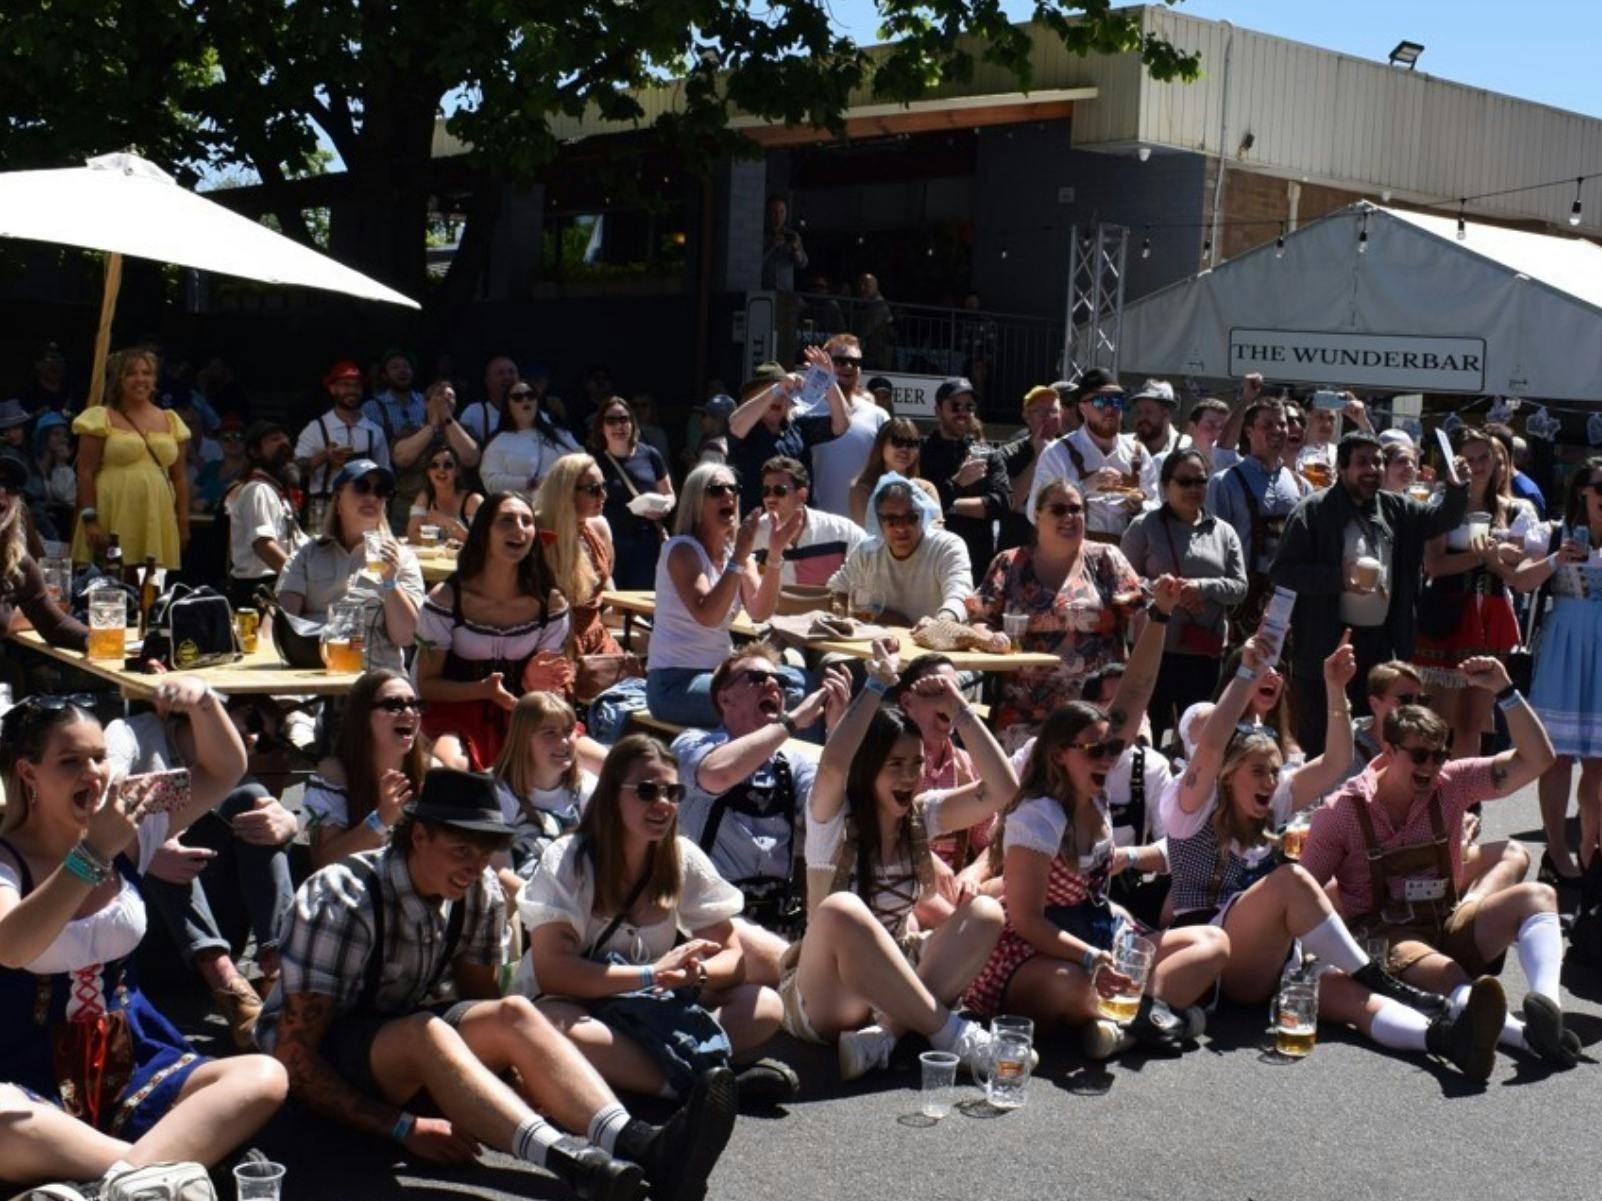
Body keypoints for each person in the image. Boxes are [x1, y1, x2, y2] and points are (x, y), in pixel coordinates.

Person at [259, 765, 738, 1201]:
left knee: (514, 1012)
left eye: (485, 852)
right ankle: (576, 1165)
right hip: (321, 1068)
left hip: (408, 1042)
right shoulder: (343, 897)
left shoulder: (479, 892)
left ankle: (642, 1145)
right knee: (425, 1031)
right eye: (461, 850)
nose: (475, 866)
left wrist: (516, 1078)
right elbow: (293, 1056)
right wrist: (402, 1127)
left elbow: (481, 1003)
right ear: (419, 836)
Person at [1162, 634, 1508, 1079]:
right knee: (1293, 880)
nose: (1270, 782)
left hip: (1273, 954)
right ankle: (1378, 975)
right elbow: (1211, 747)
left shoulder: (1272, 803)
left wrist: (1335, 687)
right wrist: (1246, 672)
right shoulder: (1190, 808)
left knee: (1350, 999)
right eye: (1258, 771)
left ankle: (1446, 1038)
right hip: (1213, 955)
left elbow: (1336, 762)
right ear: (1227, 775)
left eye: (1274, 771)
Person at [0, 684, 288, 1185]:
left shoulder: (128, 824)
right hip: (25, 1069)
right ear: (28, 773)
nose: (93, 773)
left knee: (264, 1076)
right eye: (71, 762)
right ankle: (153, 1173)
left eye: (98, 757)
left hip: (133, 1059)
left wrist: (203, 704)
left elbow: (223, 770)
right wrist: (92, 854)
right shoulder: (8, 858)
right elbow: (11, 946)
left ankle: (116, 1182)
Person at [1300, 663, 1579, 1068]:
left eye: (1439, 755)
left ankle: (1547, 1009)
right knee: (1450, 975)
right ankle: (1525, 1038)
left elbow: (1539, 759)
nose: (1431, 767)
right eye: (1419, 756)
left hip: (1445, 920)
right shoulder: (1343, 812)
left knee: (1539, 895)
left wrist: (1504, 690)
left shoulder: (1452, 782)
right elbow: (1304, 889)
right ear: (1389, 751)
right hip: (1385, 937)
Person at [521, 735, 793, 1102]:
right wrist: (652, 974)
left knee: (763, 1005)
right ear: (611, 795)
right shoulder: (568, 859)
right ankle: (696, 1087)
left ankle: (659, 1078)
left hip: (649, 1008)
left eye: (673, 793)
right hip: (578, 1007)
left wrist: (695, 974)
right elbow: (553, 973)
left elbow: (733, 958)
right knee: (553, 1025)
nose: (663, 804)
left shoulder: (682, 858)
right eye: (647, 791)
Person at [790, 640, 1006, 1080]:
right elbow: (833, 766)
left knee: (986, 912)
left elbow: (1002, 790)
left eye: (916, 763)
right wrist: (876, 684)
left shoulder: (920, 815)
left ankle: (885, 1036)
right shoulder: (832, 817)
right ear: (869, 768)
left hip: (894, 980)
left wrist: (959, 707)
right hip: (830, 992)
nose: (910, 776)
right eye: (895, 764)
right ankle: (951, 1034)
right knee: (842, 908)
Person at [962, 695, 1227, 1054]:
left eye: (1112, 748)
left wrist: (1111, 923)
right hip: (1036, 949)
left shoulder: (1096, 799)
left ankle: (1126, 1024)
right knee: (1070, 985)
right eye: (1094, 750)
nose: (1107, 759)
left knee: (1213, 943)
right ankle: (1153, 1016)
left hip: (1098, 931)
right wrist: (1091, 957)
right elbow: (1026, 921)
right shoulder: (1037, 817)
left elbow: (1093, 891)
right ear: (1059, 755)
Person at [105, 697, 297, 1047]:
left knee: (253, 798)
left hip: (214, 927)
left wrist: (288, 823)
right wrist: (142, 848)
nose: (254, 738)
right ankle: (226, 982)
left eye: (266, 740)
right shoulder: (132, 734)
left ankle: (279, 971)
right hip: (146, 931)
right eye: (252, 720)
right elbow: (96, 803)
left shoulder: (234, 776)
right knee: (154, 819)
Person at [1270, 432, 1469, 755]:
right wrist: (1338, 579)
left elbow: (1442, 520)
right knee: (1322, 742)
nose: (1372, 469)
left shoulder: (1396, 508)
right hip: (1326, 645)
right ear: (1341, 467)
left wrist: (1457, 488)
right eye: (1362, 462)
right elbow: (1283, 572)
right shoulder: (1313, 512)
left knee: (1376, 740)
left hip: (1380, 644)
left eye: (1377, 462)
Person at [673, 648, 845, 949]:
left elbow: (825, 812)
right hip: (709, 920)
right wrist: (792, 722)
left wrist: (838, 731)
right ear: (725, 698)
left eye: (780, 680)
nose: (774, 684)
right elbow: (717, 775)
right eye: (757, 678)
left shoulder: (793, 763)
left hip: (775, 921)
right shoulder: (693, 744)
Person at [967, 478, 1141, 752]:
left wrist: (1136, 693)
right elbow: (979, 619)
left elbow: (1141, 613)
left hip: (1096, 714)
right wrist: (991, 638)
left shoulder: (1107, 559)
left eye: (1076, 509)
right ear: (1037, 516)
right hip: (1023, 715)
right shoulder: (1009, 563)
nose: (1069, 517)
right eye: (1059, 510)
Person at [416, 493, 573, 769]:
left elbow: (550, 689)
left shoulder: (549, 602)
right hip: (455, 716)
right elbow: (426, 685)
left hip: (527, 718)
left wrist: (540, 682)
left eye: (527, 521)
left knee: (602, 763)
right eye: (506, 521)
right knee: (453, 768)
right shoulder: (447, 599)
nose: (519, 529)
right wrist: (483, 690)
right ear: (483, 532)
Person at [646, 464, 802, 729]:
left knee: (801, 684)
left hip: (723, 675)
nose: (728, 495)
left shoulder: (736, 553)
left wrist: (775, 555)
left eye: (733, 489)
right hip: (675, 684)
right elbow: (708, 615)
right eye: (716, 490)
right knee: (762, 701)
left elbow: (760, 611)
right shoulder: (682, 550)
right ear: (696, 501)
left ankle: (797, 756)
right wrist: (739, 556)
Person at [1413, 426, 1529, 759]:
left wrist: (1498, 560)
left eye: (1484, 457)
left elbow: (1517, 575)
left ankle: (1465, 787)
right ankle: (1433, 784)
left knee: (1474, 721)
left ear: (1496, 459)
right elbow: (1435, 565)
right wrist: (1484, 556)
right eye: (1470, 458)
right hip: (1448, 610)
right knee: (1439, 718)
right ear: (1455, 461)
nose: (1477, 466)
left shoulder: (1513, 510)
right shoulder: (1441, 503)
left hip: (1492, 611)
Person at [1120, 449, 1247, 748]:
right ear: (1166, 485)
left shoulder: (1224, 532)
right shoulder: (1144, 527)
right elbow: (1123, 582)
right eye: (1184, 482)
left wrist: (1202, 587)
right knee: (1145, 736)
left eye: (1200, 481)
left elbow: (1240, 587)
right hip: (1154, 651)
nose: (1193, 489)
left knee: (1199, 740)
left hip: (1204, 651)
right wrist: (1163, 591)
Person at [1517, 459, 1602, 903]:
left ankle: (1590, 851)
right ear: (1583, 490)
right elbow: (1520, 580)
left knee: (1600, 761)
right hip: (1564, 646)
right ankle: (1557, 851)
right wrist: (1556, 559)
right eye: (1601, 487)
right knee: (1557, 758)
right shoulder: (1554, 532)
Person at [277, 459, 425, 673]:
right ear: (338, 497)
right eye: (362, 487)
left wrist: (390, 581)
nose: (372, 497)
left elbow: (406, 637)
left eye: (380, 491)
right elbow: (284, 621)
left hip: (376, 675)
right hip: (314, 671)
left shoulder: (402, 558)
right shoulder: (307, 553)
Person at [891, 655, 1019, 886]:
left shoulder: (969, 765)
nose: (949, 702)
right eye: (939, 692)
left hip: (953, 887)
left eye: (955, 694)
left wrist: (974, 873)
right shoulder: (885, 762)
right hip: (898, 884)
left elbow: (993, 839)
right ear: (907, 702)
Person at [71, 348, 192, 571]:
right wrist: (90, 520)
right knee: (110, 579)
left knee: (151, 583)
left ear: (154, 379)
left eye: (146, 373)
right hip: (111, 509)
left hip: (156, 512)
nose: (140, 379)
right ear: (118, 379)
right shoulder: (100, 416)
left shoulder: (171, 420)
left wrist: (183, 522)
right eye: (131, 373)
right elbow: (85, 472)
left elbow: (180, 477)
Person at [303, 669, 433, 871]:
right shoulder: (335, 773)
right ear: (362, 716)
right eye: (393, 705)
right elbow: (323, 862)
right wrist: (380, 820)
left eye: (415, 704)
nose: (409, 713)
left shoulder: (431, 772)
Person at [1205, 398, 1311, 639]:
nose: (1278, 430)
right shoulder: (1225, 482)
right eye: (1268, 425)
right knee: (1237, 661)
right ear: (1249, 431)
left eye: (1282, 424)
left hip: (1286, 597)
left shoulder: (1301, 485)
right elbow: (1212, 548)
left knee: (1281, 662)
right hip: (1239, 597)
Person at [1027, 368, 1157, 544]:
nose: (1110, 408)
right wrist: (1082, 488)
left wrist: (1140, 507)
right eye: (1100, 401)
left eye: (1116, 400)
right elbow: (1034, 513)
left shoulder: (1138, 453)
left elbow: (1158, 508)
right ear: (1083, 408)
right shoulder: (1058, 453)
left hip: (1128, 553)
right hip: (1075, 553)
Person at [828, 476, 972, 628]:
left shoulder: (946, 547)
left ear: (923, 516)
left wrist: (941, 622)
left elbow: (960, 596)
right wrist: (873, 616)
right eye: (892, 520)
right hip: (875, 638)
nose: (901, 528)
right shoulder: (867, 551)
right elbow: (836, 589)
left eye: (910, 518)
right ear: (879, 522)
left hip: (933, 639)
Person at [492, 693, 595, 898]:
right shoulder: (499, 793)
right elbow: (499, 872)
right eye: (549, 733)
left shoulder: (586, 787)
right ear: (522, 739)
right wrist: (547, 907)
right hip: (522, 902)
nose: (564, 742)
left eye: (568, 731)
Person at [532, 454, 626, 680]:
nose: (603, 495)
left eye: (604, 486)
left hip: (597, 641)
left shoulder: (599, 527)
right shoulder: (537, 531)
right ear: (566, 493)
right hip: (551, 643)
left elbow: (605, 585)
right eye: (594, 489)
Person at [726, 347, 847, 514]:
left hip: (798, 522)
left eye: (786, 393)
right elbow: (735, 425)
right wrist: (777, 388)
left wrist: (828, 380)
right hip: (756, 521)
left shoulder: (799, 428)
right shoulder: (746, 428)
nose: (778, 398)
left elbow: (841, 424)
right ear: (753, 397)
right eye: (771, 392)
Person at [920, 377, 1009, 586]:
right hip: (932, 561)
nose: (963, 412)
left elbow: (1002, 503)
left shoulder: (986, 454)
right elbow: (921, 506)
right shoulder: (922, 453)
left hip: (977, 562)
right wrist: (958, 482)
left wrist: (949, 506)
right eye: (955, 406)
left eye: (969, 407)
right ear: (938, 411)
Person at [0, 451, 86, 650]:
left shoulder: (16, 563)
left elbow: (55, 625)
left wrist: (98, 639)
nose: (3, 490)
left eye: (10, 485)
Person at [590, 395, 674, 591]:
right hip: (609, 543)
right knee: (613, 602)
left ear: (632, 423)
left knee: (644, 601)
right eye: (611, 420)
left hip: (646, 543)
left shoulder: (650, 454)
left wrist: (664, 509)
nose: (618, 426)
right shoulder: (593, 461)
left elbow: (669, 494)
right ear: (601, 426)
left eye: (623, 419)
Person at [294, 360, 390, 530]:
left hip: (362, 506)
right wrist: (324, 456)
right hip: (323, 506)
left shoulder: (374, 431)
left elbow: (385, 474)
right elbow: (295, 470)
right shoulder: (315, 429)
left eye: (356, 386)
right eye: (345, 385)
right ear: (333, 389)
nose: (352, 390)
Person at [223, 420, 307, 609]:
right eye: (275, 439)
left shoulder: (276, 491)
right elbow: (264, 545)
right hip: (258, 591)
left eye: (286, 439)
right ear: (255, 452)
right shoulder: (258, 490)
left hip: (277, 582)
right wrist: (300, 580)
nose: (284, 443)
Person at [807, 334, 889, 518]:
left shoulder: (879, 416)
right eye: (840, 361)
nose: (849, 367)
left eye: (855, 362)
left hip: (865, 525)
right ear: (824, 363)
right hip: (817, 524)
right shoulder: (805, 412)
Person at [751, 456, 865, 588]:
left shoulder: (843, 533)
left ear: (802, 494)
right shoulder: (752, 536)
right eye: (766, 491)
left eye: (779, 490)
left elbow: (871, 567)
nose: (770, 497)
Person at [479, 380, 582, 495]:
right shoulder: (498, 442)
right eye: (517, 397)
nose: (525, 400)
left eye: (530, 395)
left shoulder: (560, 434)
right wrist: (529, 482)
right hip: (523, 504)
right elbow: (491, 482)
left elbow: (583, 462)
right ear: (508, 405)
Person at [995, 385, 1064, 554]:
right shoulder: (1007, 453)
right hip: (1018, 547)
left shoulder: (1070, 451)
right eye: (1042, 412)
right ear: (1027, 416)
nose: (1049, 417)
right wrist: (1039, 457)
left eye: (1053, 411)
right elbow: (1011, 502)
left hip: (1057, 546)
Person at [848, 417, 939, 526]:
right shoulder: (863, 489)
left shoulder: (926, 489)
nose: (904, 449)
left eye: (912, 443)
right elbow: (864, 531)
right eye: (897, 442)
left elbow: (937, 529)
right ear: (881, 446)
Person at [406, 444, 482, 545]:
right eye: (434, 465)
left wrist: (448, 523)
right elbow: (412, 536)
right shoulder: (425, 498)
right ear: (428, 472)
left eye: (448, 465)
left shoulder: (473, 500)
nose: (441, 469)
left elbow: (482, 543)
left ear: (457, 471)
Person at [458, 354, 521, 450]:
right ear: (487, 381)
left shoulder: (533, 413)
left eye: (511, 372)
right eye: (500, 373)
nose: (507, 377)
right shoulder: (473, 413)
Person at [760, 195, 807, 292]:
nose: (778, 215)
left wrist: (796, 250)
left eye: (782, 211)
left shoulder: (792, 235)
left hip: (786, 292)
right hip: (763, 291)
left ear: (786, 213)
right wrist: (772, 246)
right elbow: (754, 264)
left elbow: (803, 263)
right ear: (768, 213)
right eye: (774, 211)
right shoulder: (759, 236)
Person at [1179, 396, 1234, 473]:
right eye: (1210, 425)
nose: (1218, 433)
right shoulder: (1171, 462)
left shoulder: (1234, 465)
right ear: (1192, 427)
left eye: (1223, 428)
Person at [1130, 379, 1182, 458]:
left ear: (1166, 414)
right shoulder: (1125, 446)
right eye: (1138, 412)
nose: (1141, 417)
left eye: (1148, 412)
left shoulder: (1184, 447)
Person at [628, 394, 673, 466]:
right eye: (635, 405)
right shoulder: (626, 433)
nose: (639, 409)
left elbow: (660, 459)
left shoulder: (658, 434)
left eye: (644, 405)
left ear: (651, 408)